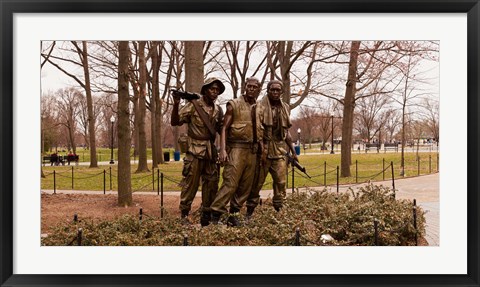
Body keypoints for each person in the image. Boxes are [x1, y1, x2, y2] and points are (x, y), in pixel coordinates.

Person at [171, 78, 224, 226]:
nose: (215, 92)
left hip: (210, 152)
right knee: (190, 184)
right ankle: (184, 216)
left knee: (211, 184)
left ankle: (206, 217)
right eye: (212, 89)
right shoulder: (193, 105)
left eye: (217, 90)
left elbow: (222, 130)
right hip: (194, 151)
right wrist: (175, 104)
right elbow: (175, 122)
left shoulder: (218, 110)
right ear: (205, 90)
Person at [210, 77, 263, 226]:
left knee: (245, 186)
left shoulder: (260, 108)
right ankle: (215, 214)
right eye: (249, 86)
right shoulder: (234, 104)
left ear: (258, 89)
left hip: (252, 151)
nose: (251, 89)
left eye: (254, 87)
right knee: (230, 183)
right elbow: (224, 128)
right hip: (236, 148)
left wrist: (262, 151)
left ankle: (234, 215)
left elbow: (261, 132)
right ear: (245, 87)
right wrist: (222, 150)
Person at [246, 80, 297, 217]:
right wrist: (262, 150)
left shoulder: (285, 108)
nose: (275, 92)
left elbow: (286, 132)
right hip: (263, 149)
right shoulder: (259, 107)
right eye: (272, 90)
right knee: (257, 183)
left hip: (279, 150)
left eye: (277, 90)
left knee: (280, 182)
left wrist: (293, 150)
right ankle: (249, 212)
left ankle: (280, 211)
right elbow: (256, 131)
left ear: (281, 92)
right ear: (268, 91)